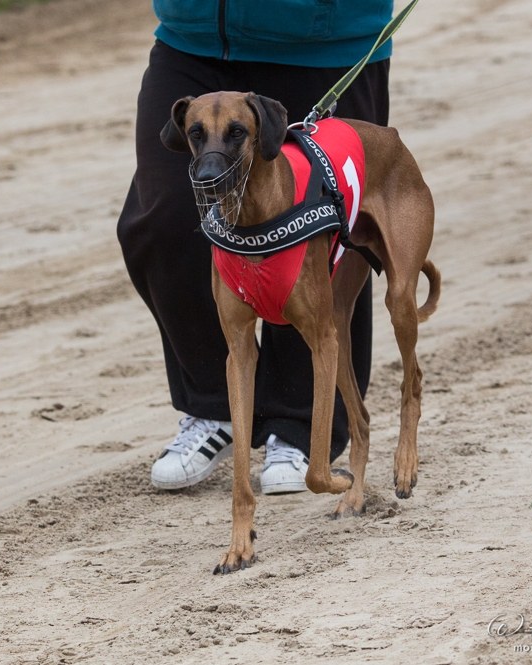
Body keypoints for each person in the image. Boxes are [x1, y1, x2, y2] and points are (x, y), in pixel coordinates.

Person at [117, 1, 394, 493]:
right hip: (194, 34)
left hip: (321, 38)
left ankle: (300, 424)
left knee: (316, 240)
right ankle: (215, 404)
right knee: (163, 222)